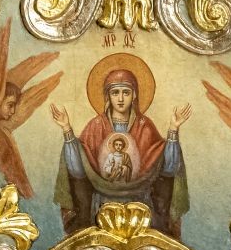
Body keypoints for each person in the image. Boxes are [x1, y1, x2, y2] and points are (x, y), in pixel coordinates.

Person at [50, 56, 191, 235]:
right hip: (102, 208)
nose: (121, 98)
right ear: (107, 96)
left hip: (141, 208)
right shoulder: (96, 126)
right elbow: (78, 172)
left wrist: (173, 129)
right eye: (115, 92)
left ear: (134, 95)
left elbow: (168, 170)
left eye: (126, 92)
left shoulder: (145, 127)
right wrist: (67, 129)